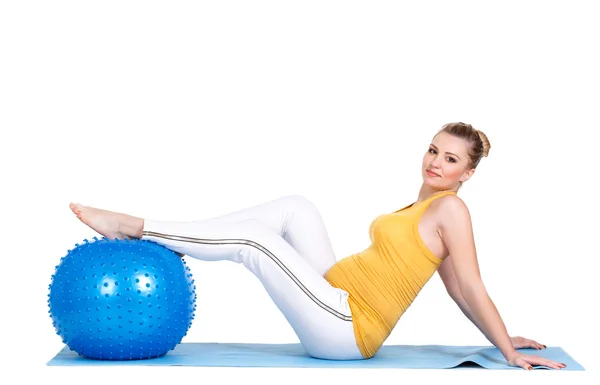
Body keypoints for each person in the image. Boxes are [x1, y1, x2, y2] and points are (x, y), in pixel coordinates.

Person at [69, 122, 566, 370]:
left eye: (450, 159)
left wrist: (506, 349)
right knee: (296, 207)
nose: (435, 163)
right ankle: (187, 236)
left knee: (254, 241)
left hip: (348, 327)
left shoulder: (451, 210)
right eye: (433, 150)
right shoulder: (425, 205)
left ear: (468, 173)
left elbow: (470, 285)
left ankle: (139, 227)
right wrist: (504, 335)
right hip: (335, 294)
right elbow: (457, 290)